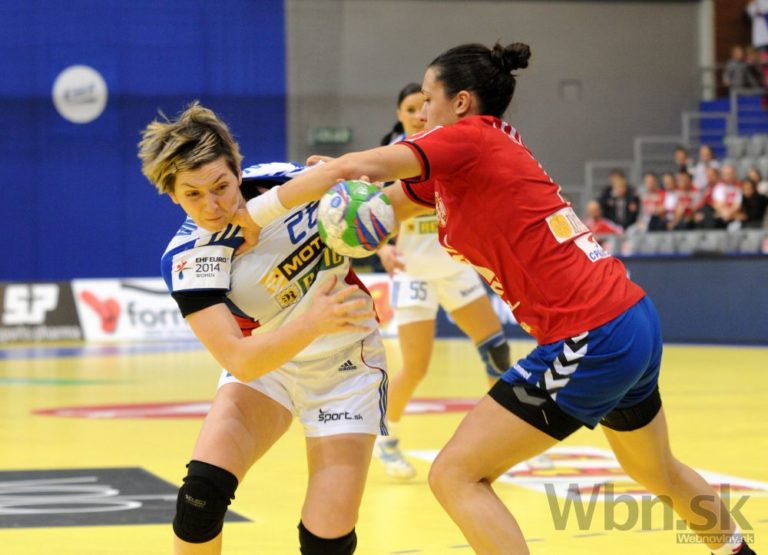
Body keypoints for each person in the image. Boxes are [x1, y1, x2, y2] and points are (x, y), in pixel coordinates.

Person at [236, 42, 757, 555]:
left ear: (461, 102)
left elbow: (358, 169)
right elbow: (379, 206)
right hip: (627, 317)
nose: (421, 114)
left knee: (455, 474)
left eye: (428, 100)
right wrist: (302, 225)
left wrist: (257, 209)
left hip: (590, 332)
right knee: (656, 470)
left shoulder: (469, 137)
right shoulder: (463, 163)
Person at [138, 103, 386, 555]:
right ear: (172, 195)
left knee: (325, 538)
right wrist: (312, 322)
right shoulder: (189, 257)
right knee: (199, 500)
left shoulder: (280, 181)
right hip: (267, 367)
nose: (213, 206)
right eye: (193, 195)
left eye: (221, 186)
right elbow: (240, 360)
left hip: (346, 367)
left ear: (238, 171)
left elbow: (357, 187)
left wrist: (361, 197)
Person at [372, 82, 511, 480]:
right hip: (414, 272)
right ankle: (385, 439)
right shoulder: (393, 158)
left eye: (425, 105)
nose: (419, 114)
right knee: (416, 368)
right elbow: (367, 213)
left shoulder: (446, 147)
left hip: (454, 267)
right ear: (399, 115)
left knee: (497, 352)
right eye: (411, 109)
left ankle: (505, 438)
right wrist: (382, 249)